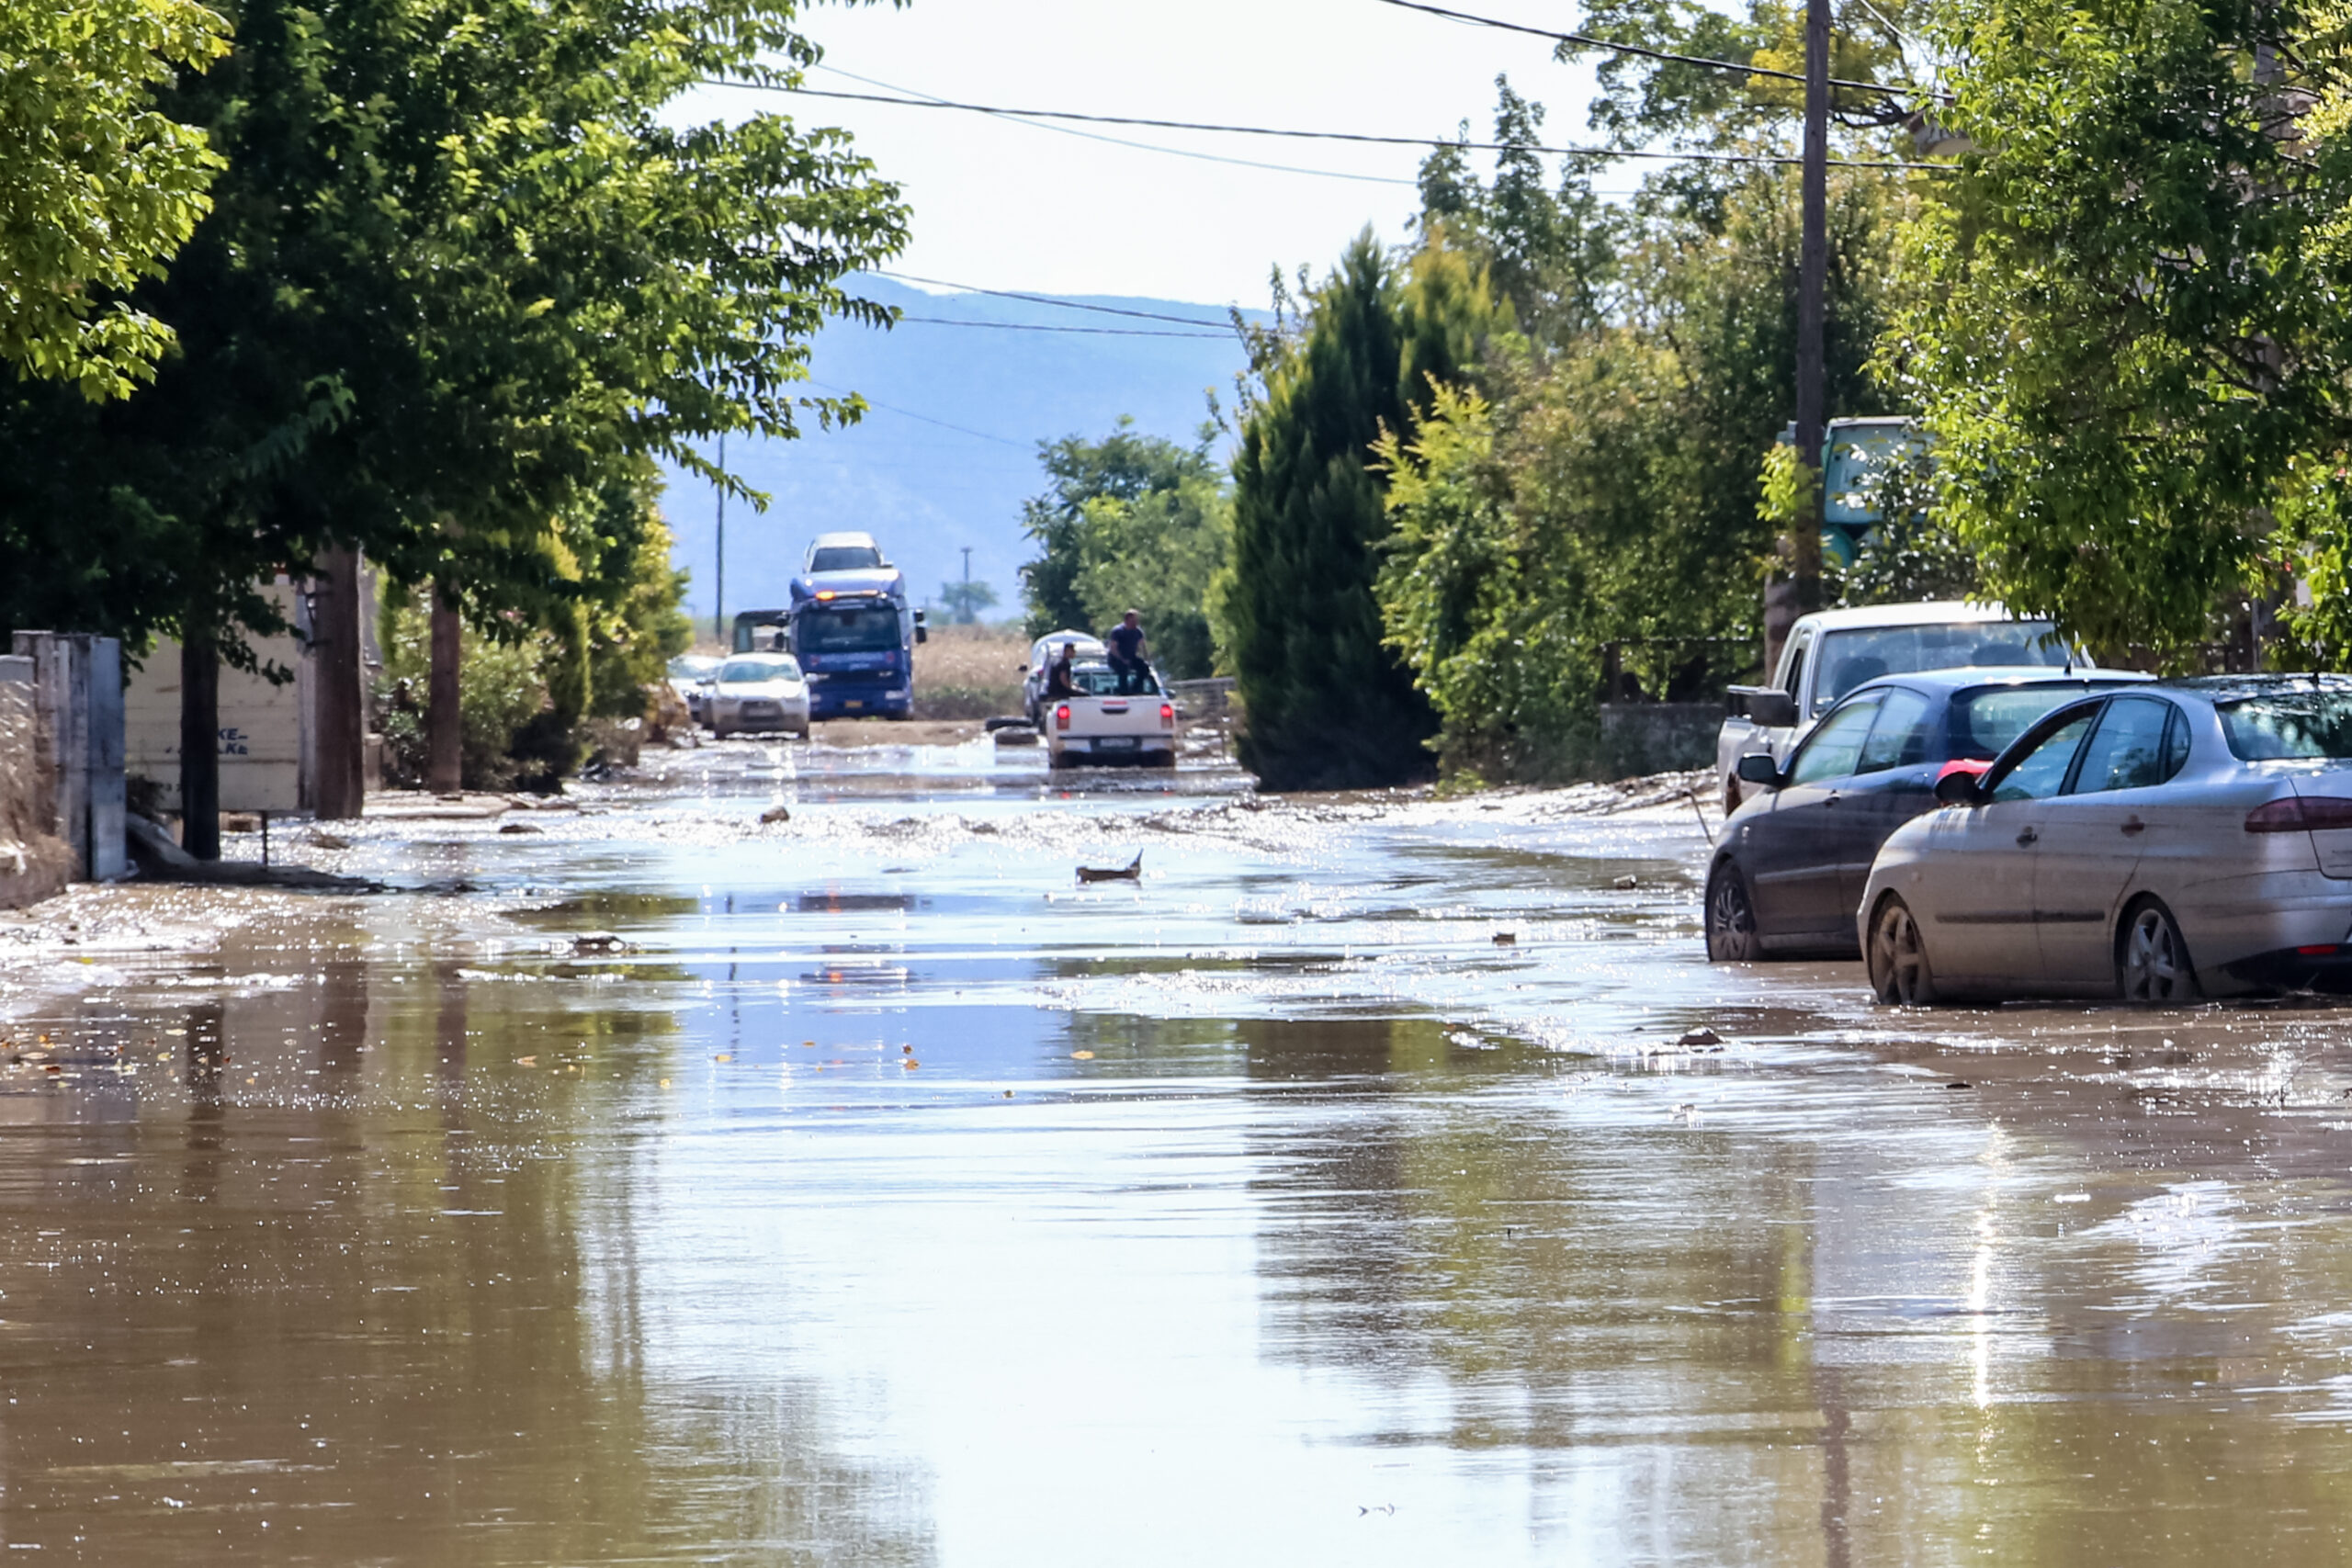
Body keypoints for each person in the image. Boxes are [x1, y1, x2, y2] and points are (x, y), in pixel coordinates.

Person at [1105, 610, 1148, 694]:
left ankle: (1135, 688)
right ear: (1128, 620)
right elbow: (1113, 648)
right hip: (1116, 658)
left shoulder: (1138, 632)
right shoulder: (1118, 631)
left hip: (1131, 657)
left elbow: (1143, 646)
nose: (1136, 622)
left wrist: (1146, 658)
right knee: (1123, 668)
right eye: (1134, 620)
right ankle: (1124, 691)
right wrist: (1122, 659)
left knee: (1144, 668)